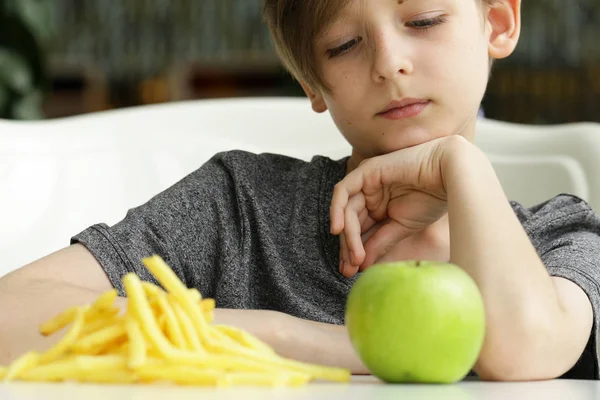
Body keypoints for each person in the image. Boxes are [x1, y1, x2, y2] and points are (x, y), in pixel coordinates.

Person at [1, 0, 598, 381]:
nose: (389, 63)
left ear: (497, 22)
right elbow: (11, 313)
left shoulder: (559, 237)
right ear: (313, 82)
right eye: (344, 45)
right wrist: (302, 339)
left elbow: (521, 356)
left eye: (423, 21)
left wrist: (460, 166)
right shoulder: (239, 206)